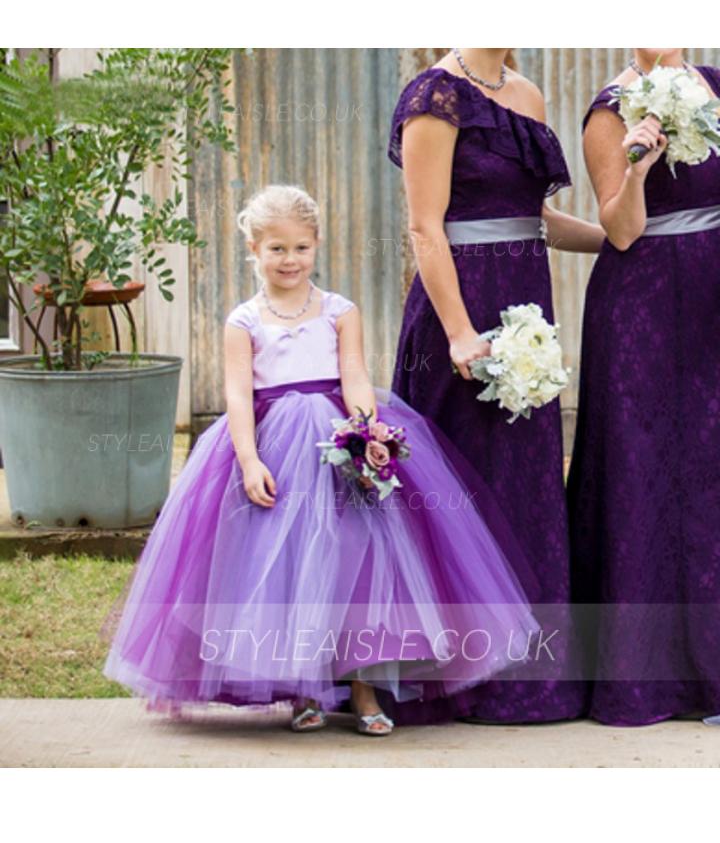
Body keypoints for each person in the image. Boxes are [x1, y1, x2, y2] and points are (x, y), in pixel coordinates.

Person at [103, 183, 545, 736]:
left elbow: (355, 376)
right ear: (254, 250)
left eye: (301, 248)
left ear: (317, 245)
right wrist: (247, 460)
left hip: (338, 449)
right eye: (276, 249)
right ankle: (299, 691)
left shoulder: (339, 311)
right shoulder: (244, 321)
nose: (290, 260)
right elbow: (239, 395)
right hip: (275, 454)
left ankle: (362, 688)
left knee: (354, 563)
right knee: (282, 571)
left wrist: (368, 432)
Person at [388, 48, 605, 725]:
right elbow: (426, 227)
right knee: (457, 491)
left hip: (523, 315)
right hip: (460, 312)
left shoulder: (529, 96)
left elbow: (534, 221)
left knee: (524, 487)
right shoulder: (434, 97)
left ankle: (527, 681)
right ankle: (450, 679)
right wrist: (457, 332)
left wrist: (625, 242)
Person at [567, 48, 720, 726]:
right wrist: (638, 165)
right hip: (643, 303)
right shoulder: (608, 109)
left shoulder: (715, 87)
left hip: (714, 290)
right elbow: (620, 229)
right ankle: (646, 678)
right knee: (643, 471)